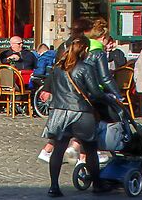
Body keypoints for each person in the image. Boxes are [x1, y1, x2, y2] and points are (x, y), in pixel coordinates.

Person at [41, 35, 113, 198]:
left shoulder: (57, 67)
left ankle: (53, 186)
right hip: (81, 113)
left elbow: (51, 87)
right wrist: (107, 97)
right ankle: (97, 184)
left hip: (59, 112)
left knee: (58, 150)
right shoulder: (85, 68)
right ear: (86, 50)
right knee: (90, 149)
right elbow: (95, 92)